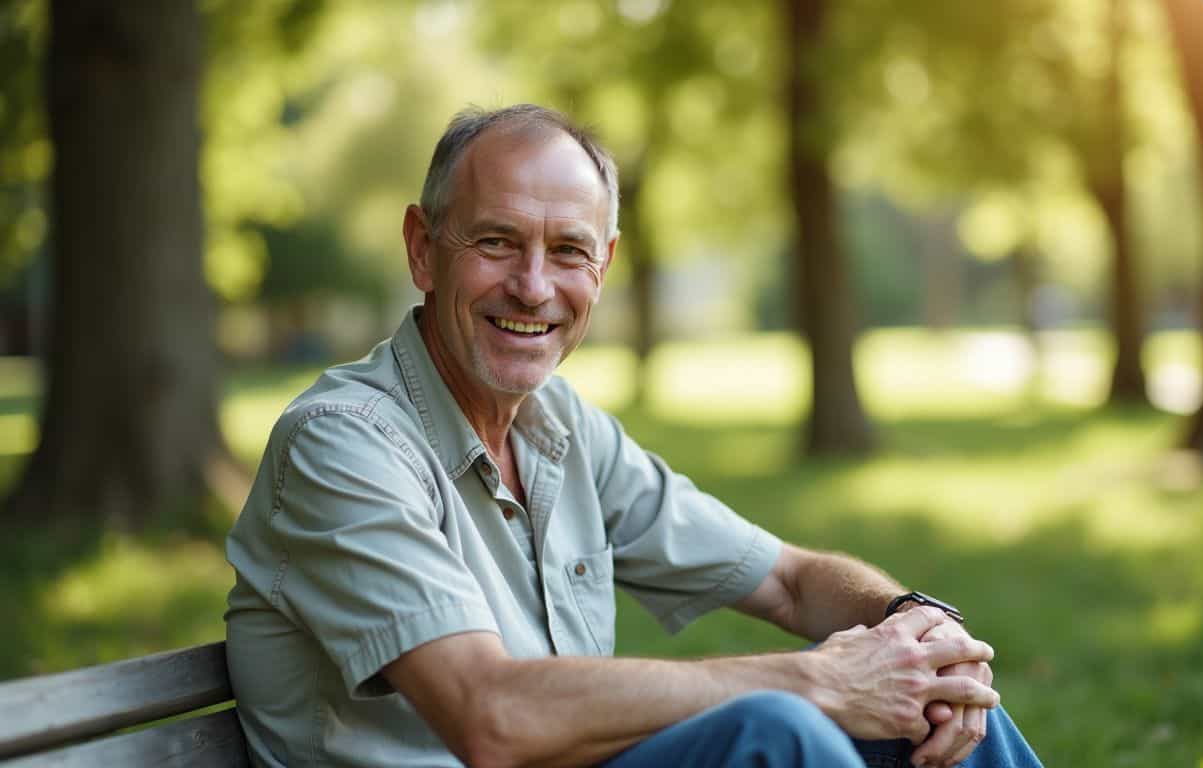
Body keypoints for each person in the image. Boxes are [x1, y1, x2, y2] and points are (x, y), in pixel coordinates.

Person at [224, 103, 1042, 768]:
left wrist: (915, 625)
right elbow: (490, 716)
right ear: (422, 250)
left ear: (604, 267)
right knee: (776, 733)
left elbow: (790, 583)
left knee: (930, 686)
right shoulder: (343, 445)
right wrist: (817, 679)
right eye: (497, 241)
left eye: (568, 250)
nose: (534, 285)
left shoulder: (562, 430)